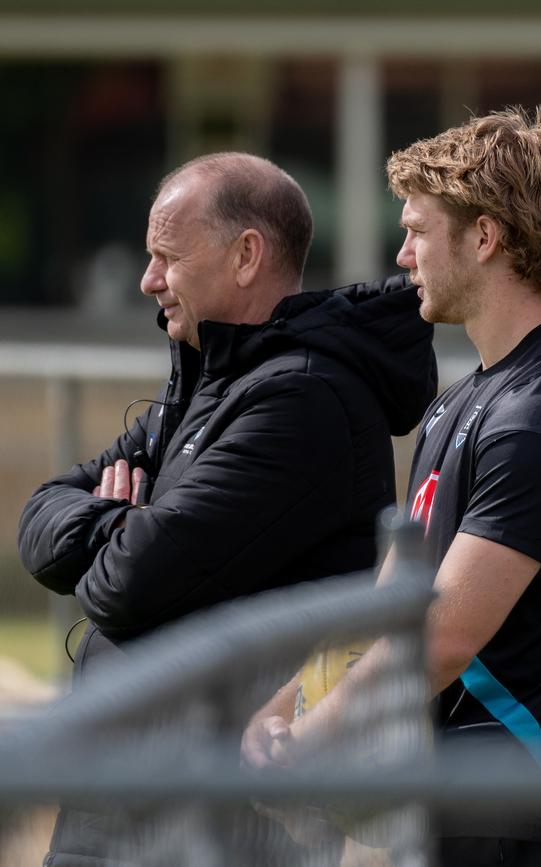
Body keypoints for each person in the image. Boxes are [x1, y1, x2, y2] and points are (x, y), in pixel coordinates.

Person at [241, 109, 541, 866]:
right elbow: (387, 609)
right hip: (447, 807)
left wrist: (305, 750)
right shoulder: (463, 402)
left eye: (418, 230)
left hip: (525, 817)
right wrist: (279, 710)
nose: (402, 254)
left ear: (484, 237)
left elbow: (441, 637)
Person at [18, 152, 436, 866]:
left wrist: (120, 530)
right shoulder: (205, 380)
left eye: (166, 257)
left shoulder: (303, 400)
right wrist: (123, 525)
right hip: (134, 788)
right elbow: (38, 518)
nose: (149, 281)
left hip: (220, 817)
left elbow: (128, 581)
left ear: (247, 256)